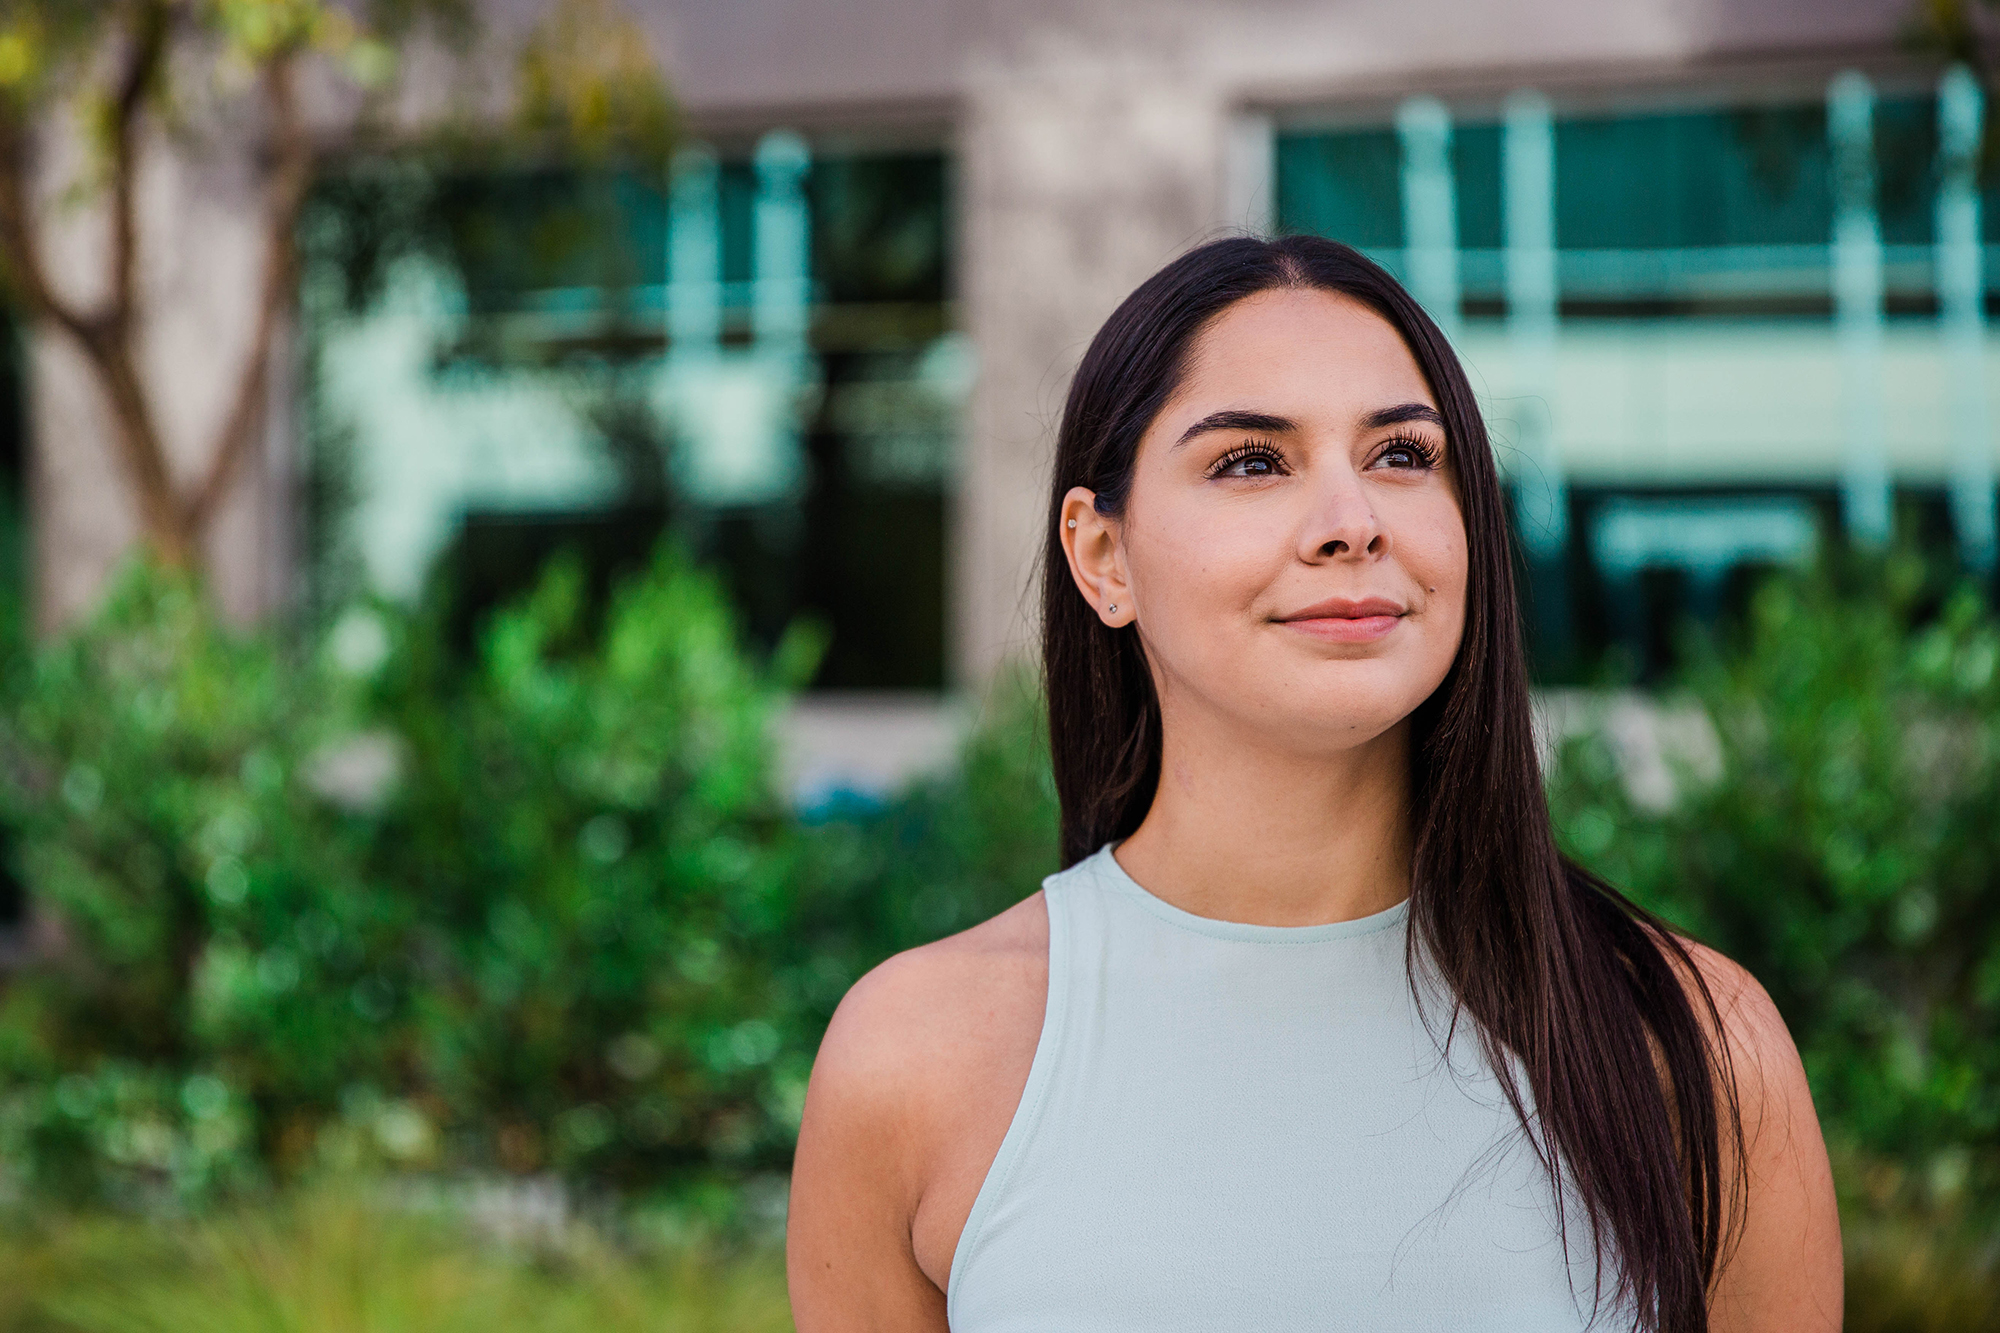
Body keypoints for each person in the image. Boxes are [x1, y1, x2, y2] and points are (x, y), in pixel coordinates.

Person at [785, 235, 1842, 1333]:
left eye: (1399, 454)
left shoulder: (1691, 1042)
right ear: (1101, 557)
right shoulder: (912, 1060)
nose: (1352, 520)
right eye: (1251, 460)